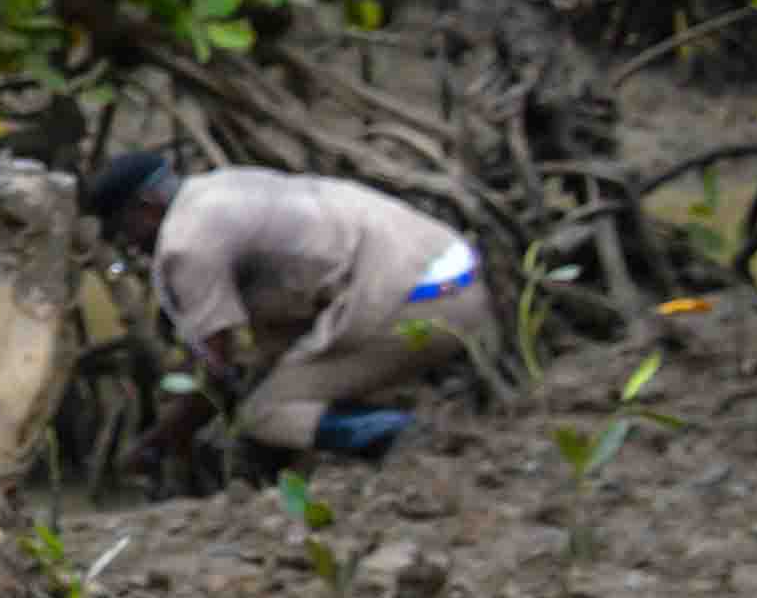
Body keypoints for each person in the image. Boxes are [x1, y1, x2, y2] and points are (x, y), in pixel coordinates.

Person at [88, 149, 490, 476]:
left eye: (124, 230)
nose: (132, 247)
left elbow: (218, 371)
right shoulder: (224, 184)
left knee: (266, 415)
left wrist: (158, 444)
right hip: (460, 275)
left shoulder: (186, 244)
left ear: (146, 207)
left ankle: (413, 440)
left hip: (420, 303)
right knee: (285, 374)